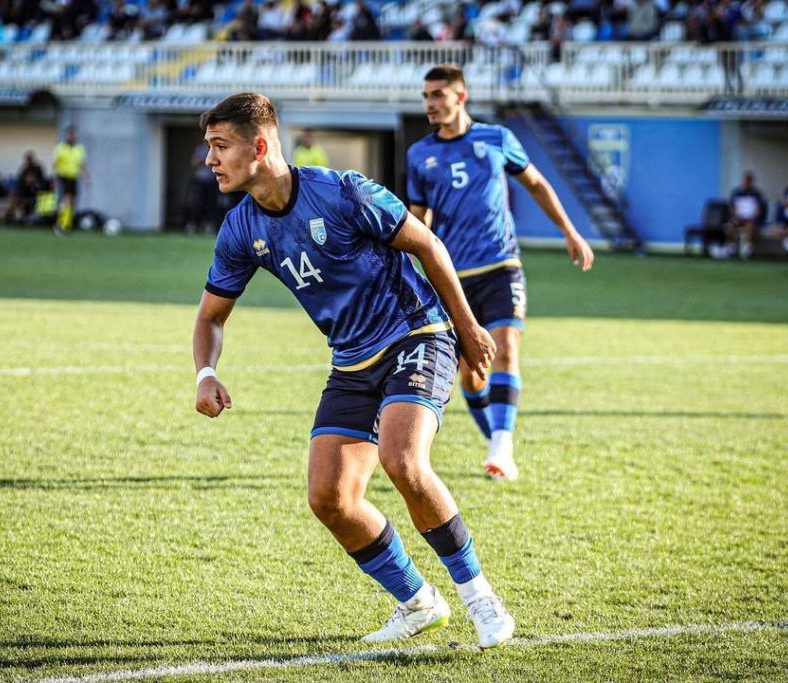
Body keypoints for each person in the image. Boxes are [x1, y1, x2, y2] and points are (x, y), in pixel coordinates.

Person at [193, 92, 516, 649]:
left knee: (402, 459)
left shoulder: (342, 192)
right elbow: (210, 317)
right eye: (209, 147)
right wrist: (206, 373)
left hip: (416, 335)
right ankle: (418, 602)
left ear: (260, 147)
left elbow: (428, 245)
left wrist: (467, 329)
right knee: (330, 498)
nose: (210, 159)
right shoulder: (241, 229)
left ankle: (482, 599)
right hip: (350, 360)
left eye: (220, 146)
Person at [406, 64, 594, 482]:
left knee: (506, 349)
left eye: (438, 95)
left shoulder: (497, 138)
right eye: (426, 96)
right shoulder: (419, 154)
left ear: (461, 97)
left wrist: (569, 231)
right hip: (453, 277)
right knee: (471, 374)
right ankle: (496, 441)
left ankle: (501, 448)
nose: (430, 104)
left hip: (501, 265)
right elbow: (418, 219)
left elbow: (536, 184)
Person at [52, 125, 89, 235]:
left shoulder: (79, 149)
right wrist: (55, 178)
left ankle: (67, 224)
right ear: (66, 135)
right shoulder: (60, 148)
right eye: (70, 134)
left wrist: (86, 179)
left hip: (73, 178)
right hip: (63, 176)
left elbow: (81, 166)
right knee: (67, 199)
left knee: (72, 202)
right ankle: (62, 225)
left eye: (73, 134)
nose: (72, 136)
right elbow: (56, 164)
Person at [725, 170, 766, 259]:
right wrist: (736, 216)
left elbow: (759, 209)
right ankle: (731, 248)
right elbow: (732, 207)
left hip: (751, 219)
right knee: (730, 226)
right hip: (739, 218)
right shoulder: (736, 192)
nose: (746, 183)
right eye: (744, 180)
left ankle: (748, 249)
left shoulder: (756, 193)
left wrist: (753, 215)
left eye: (748, 181)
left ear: (751, 182)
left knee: (751, 225)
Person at [5, 150, 47, 224]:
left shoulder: (38, 170)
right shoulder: (24, 170)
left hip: (36, 194)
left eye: (30, 159)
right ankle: (11, 217)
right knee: (13, 198)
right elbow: (19, 184)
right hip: (24, 194)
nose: (28, 161)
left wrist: (34, 183)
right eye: (27, 160)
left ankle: (28, 218)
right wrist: (26, 184)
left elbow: (43, 184)